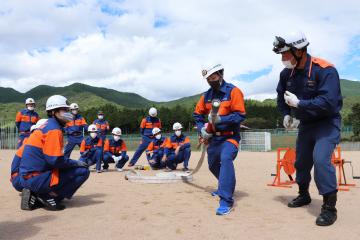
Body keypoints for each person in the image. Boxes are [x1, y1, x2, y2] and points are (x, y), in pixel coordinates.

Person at [273, 31, 342, 226]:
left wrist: (300, 104)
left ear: (299, 51)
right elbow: (281, 97)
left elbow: (328, 102)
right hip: (306, 124)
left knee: (320, 160)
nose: (283, 59)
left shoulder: (325, 70)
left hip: (327, 123)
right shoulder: (287, 74)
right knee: (301, 162)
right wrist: (286, 113)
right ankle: (303, 194)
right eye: (281, 54)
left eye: (286, 54)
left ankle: (329, 207)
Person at [19, 95, 89, 211]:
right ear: (53, 112)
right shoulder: (54, 130)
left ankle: (37, 194)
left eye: (68, 110)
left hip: (28, 176)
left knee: (69, 168)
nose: (68, 113)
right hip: (35, 178)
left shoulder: (47, 125)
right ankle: (49, 197)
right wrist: (75, 163)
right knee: (83, 171)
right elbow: (55, 161)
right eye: (64, 110)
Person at [193, 64, 246, 216]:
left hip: (230, 136)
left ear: (221, 74)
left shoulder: (233, 92)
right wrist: (201, 128)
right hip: (213, 140)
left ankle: (226, 200)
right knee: (212, 165)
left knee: (226, 158)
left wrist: (221, 119)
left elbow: (240, 115)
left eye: (214, 77)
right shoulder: (206, 96)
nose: (211, 81)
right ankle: (226, 185)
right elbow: (197, 114)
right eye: (208, 79)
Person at [10, 119, 48, 192]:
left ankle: (31, 190)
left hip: (17, 180)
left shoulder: (25, 145)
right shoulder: (43, 147)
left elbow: (14, 166)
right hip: (30, 180)